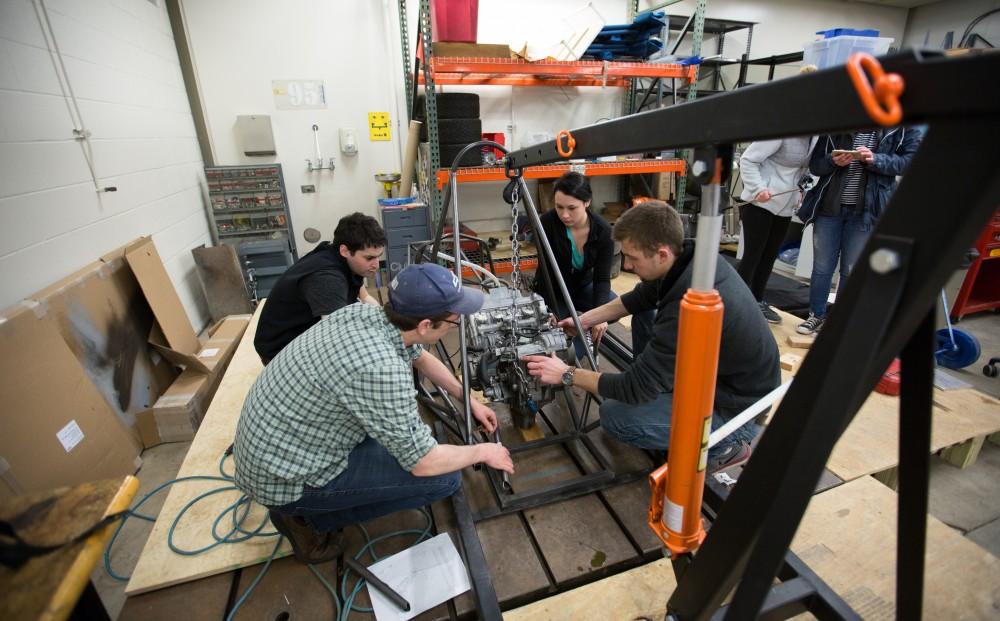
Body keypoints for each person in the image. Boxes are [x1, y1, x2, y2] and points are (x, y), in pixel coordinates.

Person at [234, 263, 514, 564]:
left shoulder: (364, 314)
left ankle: (310, 507)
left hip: (278, 442)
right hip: (286, 477)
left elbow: (420, 357)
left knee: (420, 444)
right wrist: (483, 451)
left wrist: (467, 399)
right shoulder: (382, 370)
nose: (456, 321)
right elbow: (423, 463)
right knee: (443, 479)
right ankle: (308, 520)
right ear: (424, 326)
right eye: (452, 320)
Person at [523, 202, 780, 471]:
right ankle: (662, 387)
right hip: (724, 377)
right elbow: (641, 297)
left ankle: (725, 445)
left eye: (633, 258)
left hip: (737, 408)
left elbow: (633, 389)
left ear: (662, 253)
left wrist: (567, 373)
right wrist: (583, 320)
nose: (628, 265)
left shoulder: (687, 306)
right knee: (646, 313)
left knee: (616, 416)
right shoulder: (691, 260)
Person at [794, 125, 922, 335]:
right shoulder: (840, 123)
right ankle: (815, 316)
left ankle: (838, 322)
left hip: (866, 212)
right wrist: (832, 161)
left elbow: (908, 163)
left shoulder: (902, 128)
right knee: (821, 268)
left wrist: (875, 159)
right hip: (829, 208)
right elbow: (816, 165)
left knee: (851, 270)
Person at [254, 212, 386, 364]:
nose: (376, 264)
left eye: (378, 256)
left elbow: (364, 297)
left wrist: (386, 320)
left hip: (307, 333)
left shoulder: (340, 256)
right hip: (280, 352)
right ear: (345, 251)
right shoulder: (327, 279)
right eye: (369, 258)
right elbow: (337, 342)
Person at [737, 130, 818, 324]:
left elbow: (803, 169)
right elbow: (747, 160)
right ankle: (737, 303)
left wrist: (804, 186)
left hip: (785, 206)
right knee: (752, 256)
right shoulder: (781, 131)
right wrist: (758, 188)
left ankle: (756, 301)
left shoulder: (814, 137)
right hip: (760, 204)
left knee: (769, 256)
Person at [533, 172, 615, 358]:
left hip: (583, 286)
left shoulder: (603, 231)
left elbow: (602, 279)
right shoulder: (547, 223)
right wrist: (551, 310)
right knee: (571, 349)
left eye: (572, 208)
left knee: (612, 306)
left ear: (586, 202)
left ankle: (584, 324)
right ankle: (580, 331)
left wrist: (599, 315)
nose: (564, 214)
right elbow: (546, 274)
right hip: (554, 289)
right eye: (559, 207)